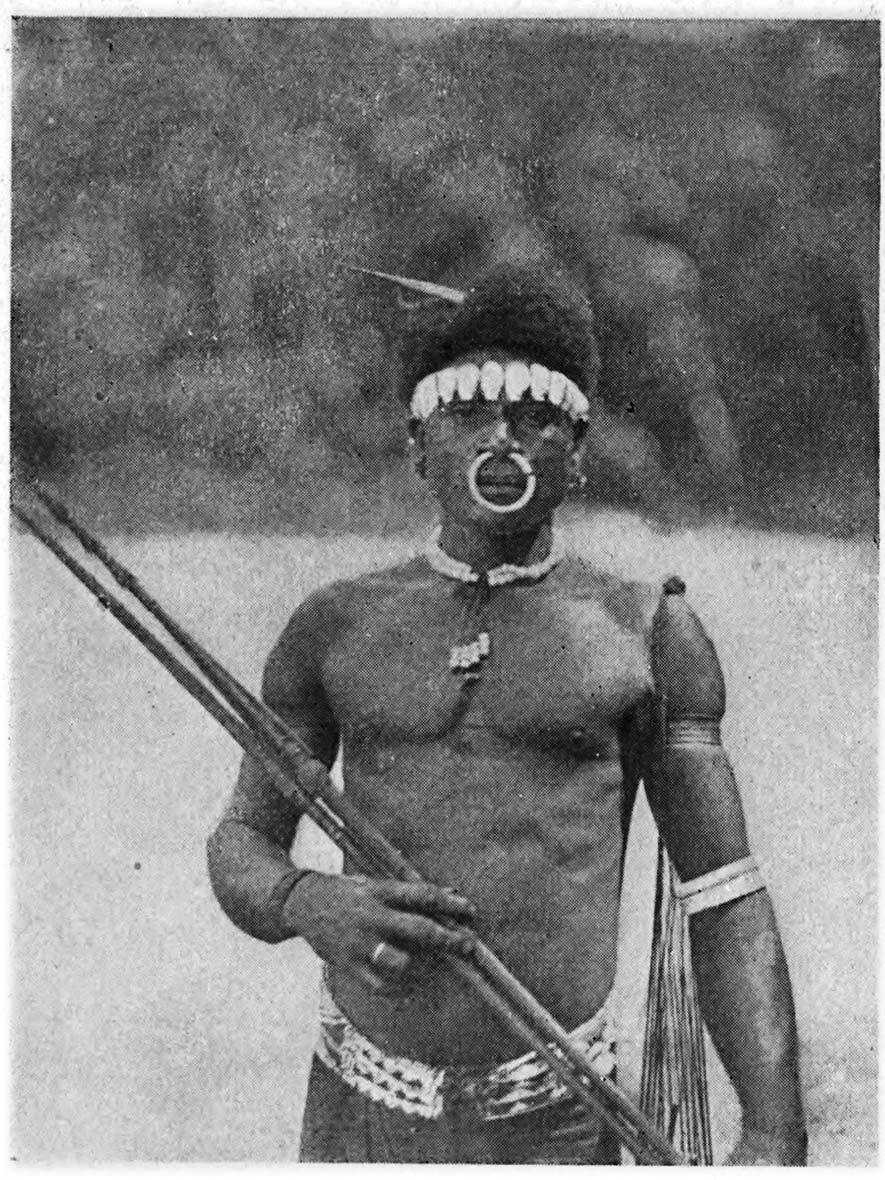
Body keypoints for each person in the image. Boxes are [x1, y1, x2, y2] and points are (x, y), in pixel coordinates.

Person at [206, 265, 806, 1164]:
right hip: (357, 1114)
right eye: (465, 413)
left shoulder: (644, 631)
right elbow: (241, 841)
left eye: (533, 415)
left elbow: (723, 896)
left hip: (562, 1119)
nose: (500, 438)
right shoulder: (333, 627)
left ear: (579, 448)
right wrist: (306, 900)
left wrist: (772, 1131)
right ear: (418, 445)